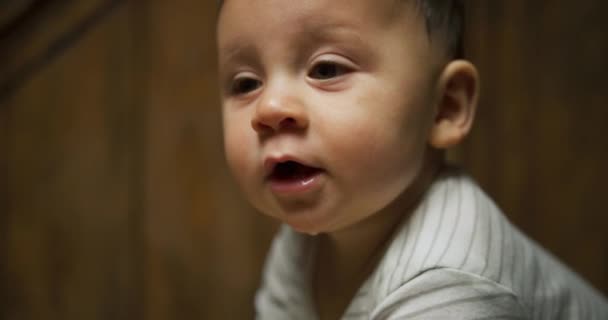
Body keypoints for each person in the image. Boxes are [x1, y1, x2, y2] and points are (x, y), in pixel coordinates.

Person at [215, 0, 608, 318]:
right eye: (246, 83)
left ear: (444, 107)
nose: (268, 107)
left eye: (327, 69)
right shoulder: (302, 244)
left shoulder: (451, 280)